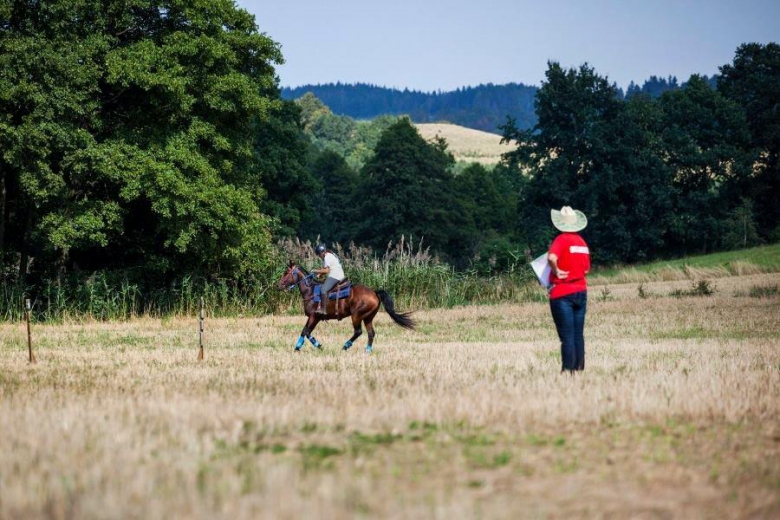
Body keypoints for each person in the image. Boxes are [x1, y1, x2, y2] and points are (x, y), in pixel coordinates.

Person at [547, 206, 591, 372]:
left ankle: (567, 371)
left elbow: (552, 257)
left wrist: (556, 270)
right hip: (581, 290)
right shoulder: (582, 242)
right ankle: (579, 369)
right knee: (578, 335)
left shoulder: (561, 239)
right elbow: (586, 269)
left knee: (567, 337)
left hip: (562, 293)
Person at [314, 244, 345, 315]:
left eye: (319, 254)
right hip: (337, 274)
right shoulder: (329, 255)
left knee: (323, 290)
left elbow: (326, 271)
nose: (319, 256)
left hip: (335, 276)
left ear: (322, 252)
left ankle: (323, 310)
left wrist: (315, 271)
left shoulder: (327, 257)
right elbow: (325, 269)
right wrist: (319, 274)